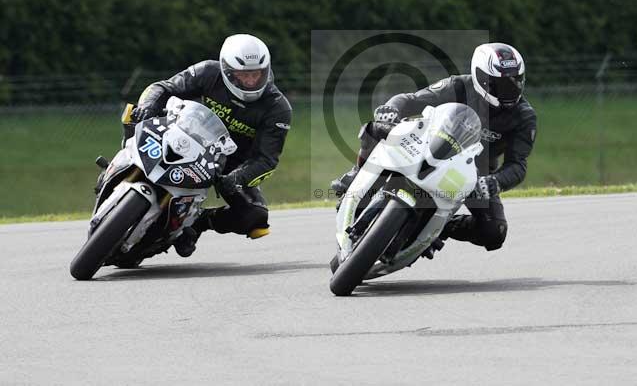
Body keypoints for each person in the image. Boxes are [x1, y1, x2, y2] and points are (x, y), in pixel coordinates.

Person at [331, 42, 537, 252]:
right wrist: (391, 110)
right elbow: (409, 100)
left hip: (474, 175)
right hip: (430, 146)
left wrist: (496, 182)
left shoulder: (524, 116)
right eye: (501, 85)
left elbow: (518, 164)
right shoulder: (457, 86)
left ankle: (443, 226)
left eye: (516, 82)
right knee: (376, 128)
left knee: (494, 233)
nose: (510, 91)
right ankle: (356, 176)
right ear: (481, 78)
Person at [131, 33, 292, 257]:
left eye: (257, 74)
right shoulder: (208, 72)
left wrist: (237, 178)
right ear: (227, 70)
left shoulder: (278, 108)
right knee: (132, 114)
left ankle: (198, 223)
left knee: (256, 218)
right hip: (185, 135)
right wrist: (147, 105)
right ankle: (125, 162)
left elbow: (267, 160)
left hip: (229, 164)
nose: (250, 81)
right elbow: (163, 87)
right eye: (243, 75)